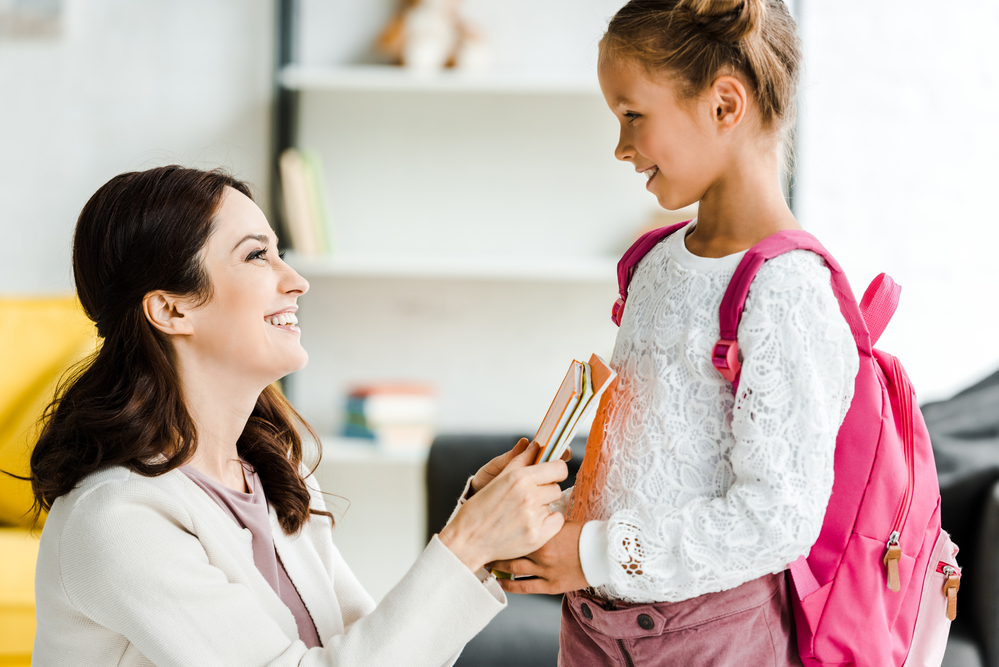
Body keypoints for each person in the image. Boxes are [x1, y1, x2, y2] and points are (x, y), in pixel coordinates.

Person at [28, 166, 570, 666]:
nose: (297, 281)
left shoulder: (274, 473)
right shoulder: (116, 520)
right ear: (171, 309)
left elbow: (373, 648)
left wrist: (477, 534)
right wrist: (468, 541)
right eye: (257, 256)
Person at [488, 1, 860, 665]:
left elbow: (778, 517)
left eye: (633, 114)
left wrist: (595, 551)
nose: (620, 146)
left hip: (713, 641)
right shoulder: (654, 263)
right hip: (595, 627)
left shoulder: (790, 290)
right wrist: (559, 521)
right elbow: (648, 464)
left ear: (723, 105)